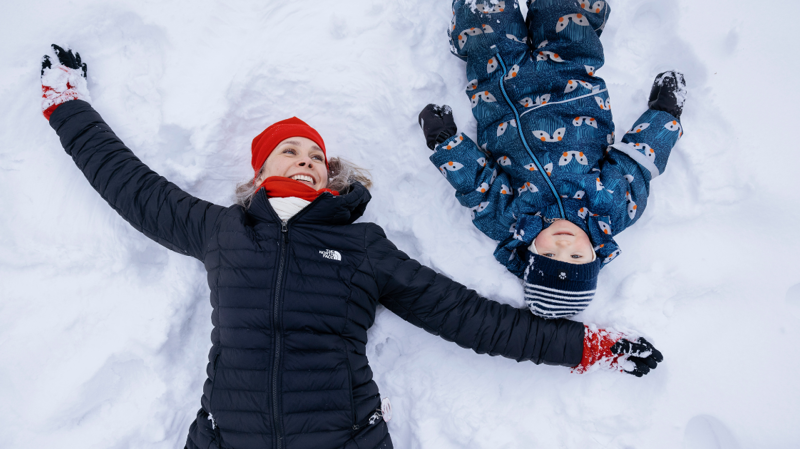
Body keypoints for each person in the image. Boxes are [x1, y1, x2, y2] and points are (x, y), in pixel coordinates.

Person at [41, 44, 663, 449]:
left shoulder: (361, 247)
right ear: (259, 174)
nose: (307, 161)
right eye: (291, 151)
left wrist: (590, 348)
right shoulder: (224, 231)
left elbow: (466, 315)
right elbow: (131, 188)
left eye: (317, 157)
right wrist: (66, 105)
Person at [418, 0, 686, 319]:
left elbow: (478, 186)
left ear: (530, 254)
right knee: (563, 14)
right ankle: (581, 19)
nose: (563, 245)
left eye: (548, 254)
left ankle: (468, 32)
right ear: (594, 257)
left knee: (485, 20)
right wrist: (665, 114)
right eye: (575, 256)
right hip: (571, 82)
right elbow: (639, 162)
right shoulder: (613, 209)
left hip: (499, 89)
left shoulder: (508, 222)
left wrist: (445, 142)